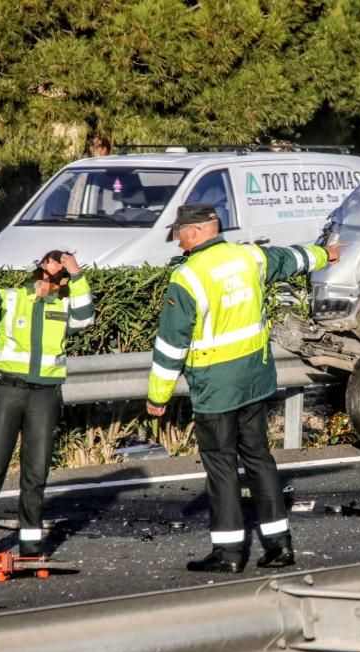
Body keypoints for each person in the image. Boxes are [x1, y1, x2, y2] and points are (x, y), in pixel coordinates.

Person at [146, 203, 343, 573]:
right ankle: (279, 546)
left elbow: (171, 344)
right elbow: (289, 259)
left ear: (197, 231)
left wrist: (158, 395)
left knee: (221, 468)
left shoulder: (188, 277)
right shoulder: (247, 257)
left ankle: (229, 553)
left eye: (180, 232)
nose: (177, 239)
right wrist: (325, 254)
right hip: (254, 381)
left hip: (216, 388)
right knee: (259, 459)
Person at [0, 250, 95, 563]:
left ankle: (31, 547)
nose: (56, 267)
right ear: (41, 268)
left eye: (63, 265)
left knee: (36, 472)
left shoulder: (66, 302)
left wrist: (78, 275)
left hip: (45, 395)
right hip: (7, 392)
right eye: (53, 261)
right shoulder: (10, 298)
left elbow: (86, 319)